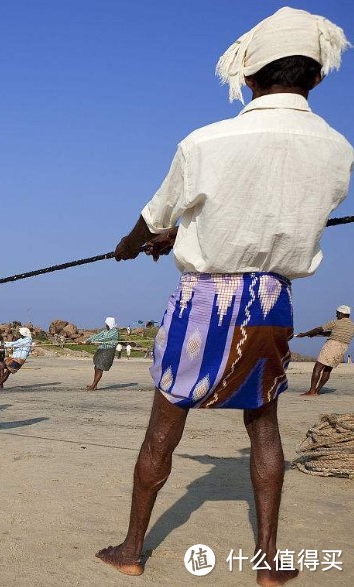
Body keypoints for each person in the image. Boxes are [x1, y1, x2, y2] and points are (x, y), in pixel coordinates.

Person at [99, 8, 352, 585]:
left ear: (251, 76)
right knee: (264, 424)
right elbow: (270, 215)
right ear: (316, 77)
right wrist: (181, 232)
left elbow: (152, 216)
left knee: (165, 424)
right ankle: (267, 562)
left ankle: (132, 548)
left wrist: (134, 243)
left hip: (205, 301)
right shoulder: (339, 149)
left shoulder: (208, 141)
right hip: (272, 301)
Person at [296, 305, 353, 396]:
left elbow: (319, 329)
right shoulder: (351, 325)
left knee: (317, 368)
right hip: (343, 348)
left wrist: (305, 334)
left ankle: (311, 391)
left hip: (332, 345)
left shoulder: (336, 322)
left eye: (337, 313)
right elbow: (331, 333)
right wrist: (314, 334)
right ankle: (317, 391)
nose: (336, 315)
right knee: (327, 370)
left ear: (341, 314)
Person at [85, 318, 120, 390]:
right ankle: (94, 385)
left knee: (100, 368)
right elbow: (98, 336)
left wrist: (92, 341)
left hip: (108, 351)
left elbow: (105, 338)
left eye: (107, 324)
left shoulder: (114, 332)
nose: (106, 325)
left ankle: (93, 385)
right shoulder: (105, 330)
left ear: (110, 324)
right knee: (96, 367)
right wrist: (88, 340)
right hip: (101, 350)